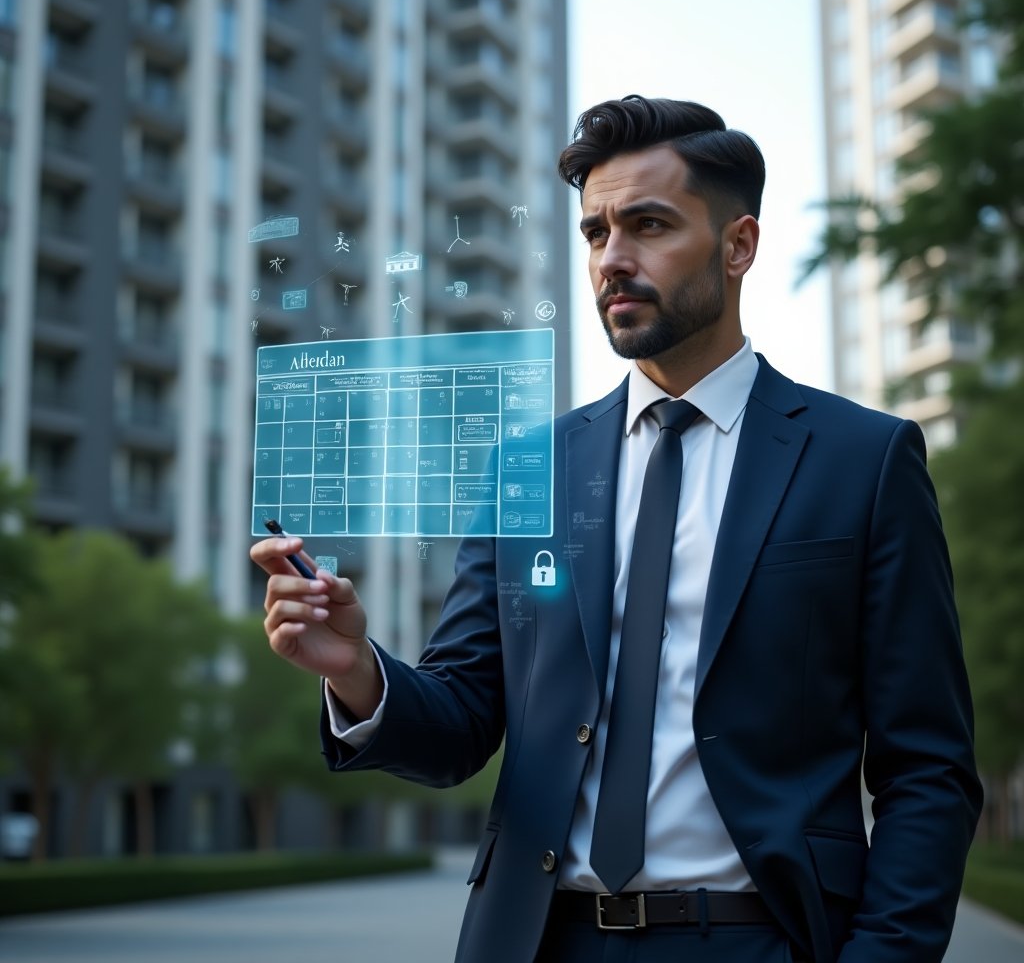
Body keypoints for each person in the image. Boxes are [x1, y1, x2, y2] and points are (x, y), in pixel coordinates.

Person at [250, 95, 982, 963]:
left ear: (738, 245)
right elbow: (461, 726)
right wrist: (356, 671)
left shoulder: (862, 460)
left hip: (761, 939)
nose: (612, 260)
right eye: (596, 233)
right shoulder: (530, 469)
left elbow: (927, 766)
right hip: (540, 942)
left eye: (649, 225)